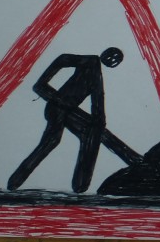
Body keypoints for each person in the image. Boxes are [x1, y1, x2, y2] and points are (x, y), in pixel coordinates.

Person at [8, 47, 123, 193]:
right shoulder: (91, 61)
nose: (112, 60)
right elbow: (63, 58)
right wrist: (43, 85)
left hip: (68, 110)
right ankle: (15, 181)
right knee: (51, 141)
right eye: (112, 56)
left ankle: (81, 185)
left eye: (116, 59)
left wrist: (100, 121)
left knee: (89, 134)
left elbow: (98, 100)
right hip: (57, 106)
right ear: (105, 53)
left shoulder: (97, 77)